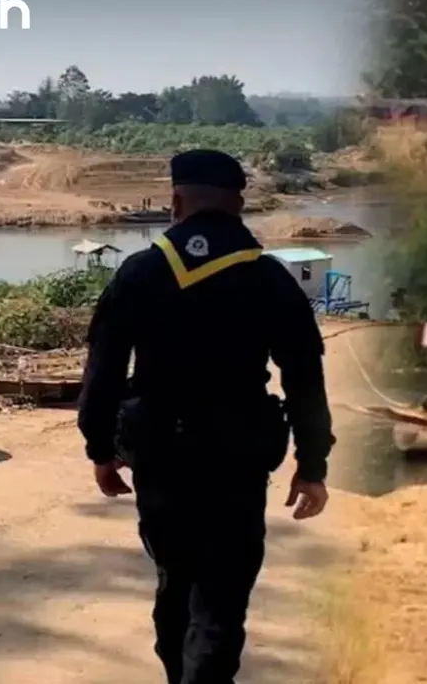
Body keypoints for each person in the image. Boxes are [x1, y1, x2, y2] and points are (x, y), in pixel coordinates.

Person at [77, 149, 334, 684]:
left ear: (175, 201)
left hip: (161, 461)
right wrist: (313, 465)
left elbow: (101, 373)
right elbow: (305, 378)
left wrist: (101, 450)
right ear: (238, 205)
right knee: (220, 601)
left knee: (176, 584)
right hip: (236, 463)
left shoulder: (140, 273)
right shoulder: (269, 280)